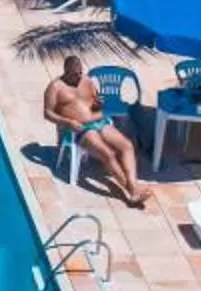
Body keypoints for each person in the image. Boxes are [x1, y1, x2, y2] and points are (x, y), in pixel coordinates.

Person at [43, 53, 147, 208]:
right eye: (74, 74)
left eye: (80, 72)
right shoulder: (55, 87)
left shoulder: (88, 81)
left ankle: (132, 184)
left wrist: (98, 104)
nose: (78, 77)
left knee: (127, 146)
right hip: (79, 128)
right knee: (107, 154)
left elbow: (97, 103)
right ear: (65, 71)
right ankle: (131, 191)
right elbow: (47, 113)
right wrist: (68, 122)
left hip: (99, 121)